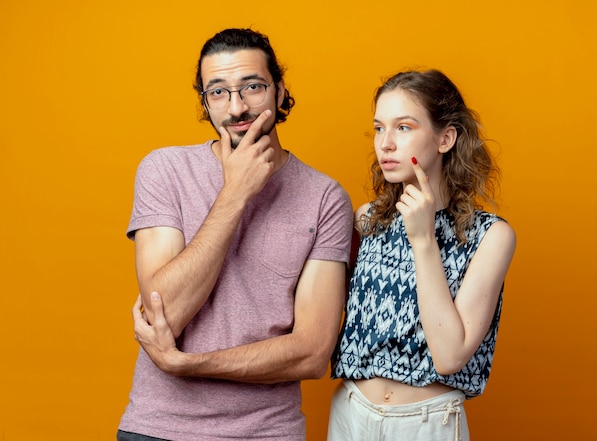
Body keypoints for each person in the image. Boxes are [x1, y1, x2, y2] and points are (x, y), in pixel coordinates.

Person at [117, 28, 354, 441]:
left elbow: (313, 353)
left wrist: (189, 364)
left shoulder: (324, 198)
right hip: (159, 430)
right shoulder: (164, 171)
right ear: (204, 102)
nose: (237, 107)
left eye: (253, 87)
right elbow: (165, 314)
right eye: (218, 93)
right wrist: (235, 193)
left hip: (268, 434)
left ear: (280, 92)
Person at [328, 69, 516, 440]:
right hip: (350, 413)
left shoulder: (491, 236)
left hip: (427, 422)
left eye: (404, 127)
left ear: (445, 138)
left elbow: (449, 357)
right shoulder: (366, 219)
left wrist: (424, 240)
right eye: (379, 128)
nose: (385, 144)